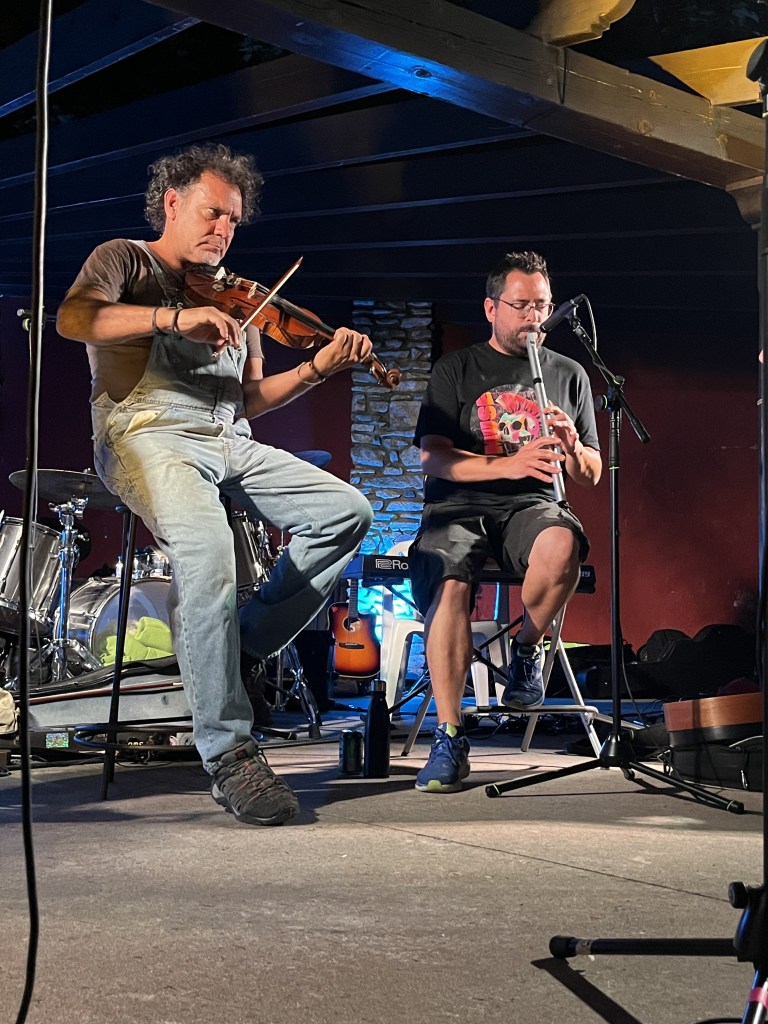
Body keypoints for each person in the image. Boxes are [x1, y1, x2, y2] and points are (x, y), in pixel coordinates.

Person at [56, 143, 373, 825]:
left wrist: (317, 368)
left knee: (345, 510)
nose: (223, 230)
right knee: (207, 552)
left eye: (233, 220)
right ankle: (230, 755)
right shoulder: (124, 260)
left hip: (228, 438)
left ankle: (243, 646)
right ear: (172, 202)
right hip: (146, 432)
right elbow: (74, 318)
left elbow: (248, 399)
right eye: (212, 213)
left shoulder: (236, 298)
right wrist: (173, 318)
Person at [408, 251, 602, 793]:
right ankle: (450, 737)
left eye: (542, 305)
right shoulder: (456, 369)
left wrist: (571, 446)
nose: (534, 317)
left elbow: (591, 473)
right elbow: (433, 458)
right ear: (492, 308)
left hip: (531, 506)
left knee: (562, 543)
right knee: (450, 582)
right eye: (522, 306)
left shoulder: (568, 374)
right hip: (459, 505)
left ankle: (527, 649)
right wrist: (506, 465)